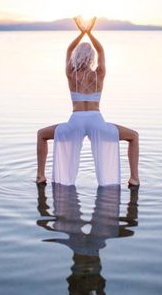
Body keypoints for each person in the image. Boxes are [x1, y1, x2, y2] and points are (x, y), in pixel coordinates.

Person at [36, 16, 139, 188]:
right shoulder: (99, 74)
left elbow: (68, 50)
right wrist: (89, 32)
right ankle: (134, 178)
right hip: (96, 121)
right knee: (133, 137)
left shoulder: (71, 74)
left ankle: (40, 176)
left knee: (41, 135)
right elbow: (101, 51)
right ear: (91, 57)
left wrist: (80, 32)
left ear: (76, 56)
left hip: (75, 121)